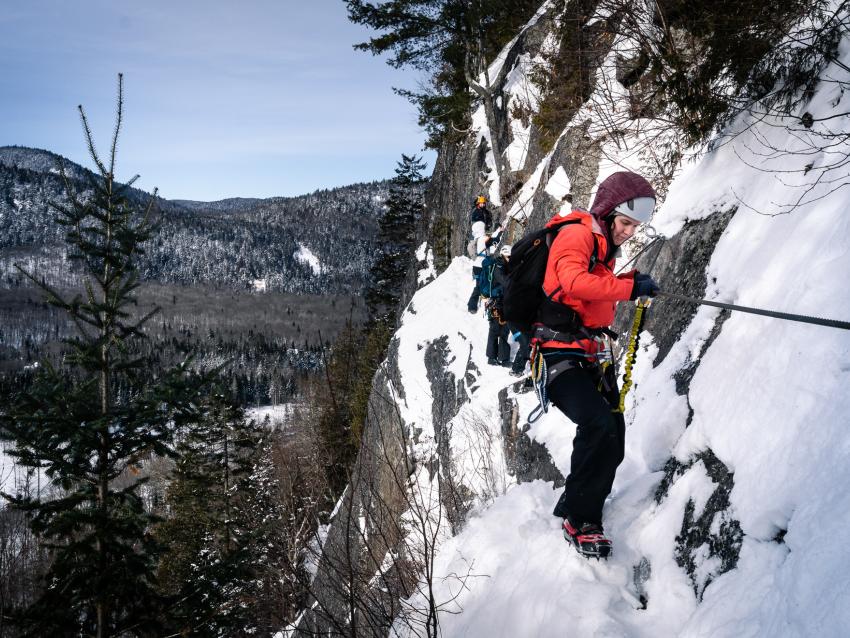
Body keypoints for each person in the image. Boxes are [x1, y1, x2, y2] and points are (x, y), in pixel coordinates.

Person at [537, 170, 660, 559]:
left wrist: (627, 279)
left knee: (613, 431)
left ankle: (575, 500)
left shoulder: (602, 246)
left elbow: (589, 292)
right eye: (624, 223)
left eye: (634, 227)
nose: (628, 232)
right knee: (599, 424)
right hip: (558, 354)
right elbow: (572, 282)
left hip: (585, 354)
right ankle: (582, 519)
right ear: (608, 213)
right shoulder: (578, 234)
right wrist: (627, 288)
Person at [485, 245, 512, 366]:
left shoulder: (506, 266)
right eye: (508, 256)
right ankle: (491, 358)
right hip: (496, 302)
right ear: (503, 255)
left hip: (505, 302)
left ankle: (503, 358)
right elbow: (505, 282)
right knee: (495, 330)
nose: (510, 258)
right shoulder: (498, 267)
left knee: (505, 331)